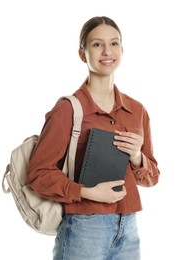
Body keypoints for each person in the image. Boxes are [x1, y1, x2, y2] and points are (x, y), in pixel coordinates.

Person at [27, 16, 160, 260]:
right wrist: (88, 192)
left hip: (128, 226)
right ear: (82, 53)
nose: (107, 51)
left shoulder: (137, 110)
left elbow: (153, 177)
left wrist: (137, 157)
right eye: (97, 44)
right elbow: (38, 174)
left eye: (114, 43)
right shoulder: (67, 110)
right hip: (84, 226)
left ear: (122, 49)